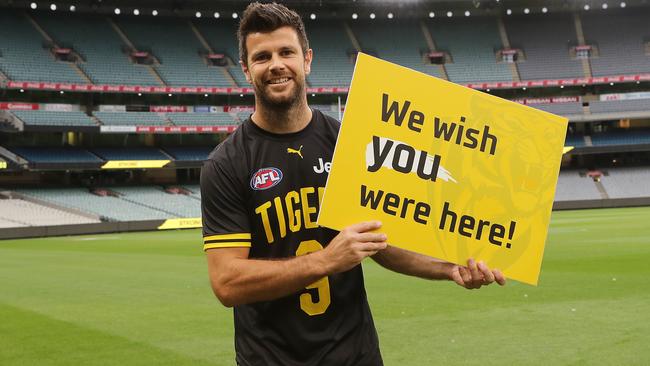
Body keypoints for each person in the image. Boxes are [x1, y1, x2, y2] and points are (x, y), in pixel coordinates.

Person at [200, 3, 506, 365]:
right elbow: (227, 282)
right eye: (262, 57)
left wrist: (448, 268)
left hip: (354, 355)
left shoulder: (350, 143)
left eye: (287, 52)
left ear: (307, 59)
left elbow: (382, 242)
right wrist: (326, 260)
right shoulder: (226, 164)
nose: (276, 64)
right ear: (247, 70)